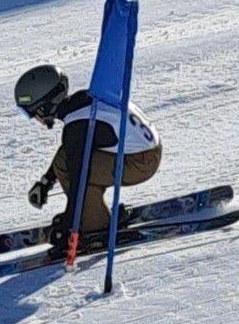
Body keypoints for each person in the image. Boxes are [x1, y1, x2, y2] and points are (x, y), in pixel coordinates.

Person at [14, 64, 162, 252]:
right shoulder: (82, 102)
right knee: (66, 159)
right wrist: (46, 182)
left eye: (32, 112)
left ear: (44, 107)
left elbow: (79, 182)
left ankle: (95, 227)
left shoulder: (76, 127)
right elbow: (69, 152)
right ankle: (90, 215)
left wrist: (69, 226)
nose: (35, 118)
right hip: (147, 150)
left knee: (78, 171)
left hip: (141, 162)